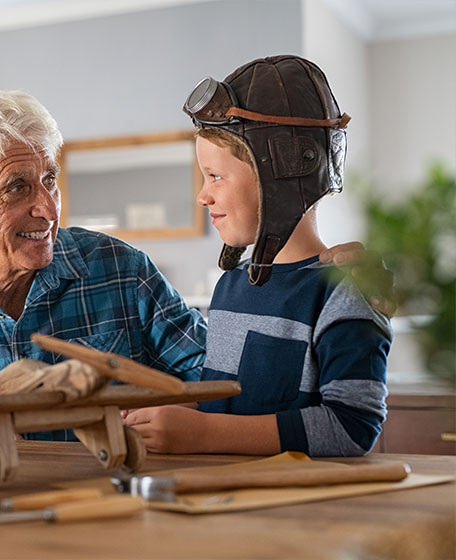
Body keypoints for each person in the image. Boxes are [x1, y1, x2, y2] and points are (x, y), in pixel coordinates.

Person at [0, 88, 382, 444]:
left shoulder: (121, 271)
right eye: (16, 187)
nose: (47, 207)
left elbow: (228, 387)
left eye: (50, 179)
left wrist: (319, 294)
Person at [123, 55, 392, 457]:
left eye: (215, 176)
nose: (202, 195)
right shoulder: (231, 286)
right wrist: (172, 414)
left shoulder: (343, 291)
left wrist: (202, 434)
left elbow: (352, 427)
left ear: (280, 174)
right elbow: (230, 408)